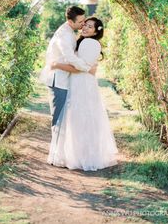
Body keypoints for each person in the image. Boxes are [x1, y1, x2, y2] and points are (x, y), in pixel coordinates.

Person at [47, 17, 119, 171]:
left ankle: (82, 156)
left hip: (82, 83)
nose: (85, 28)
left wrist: (57, 65)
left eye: (90, 26)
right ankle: (77, 154)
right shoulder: (84, 41)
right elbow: (83, 65)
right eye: (85, 25)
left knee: (80, 117)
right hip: (80, 82)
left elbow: (80, 67)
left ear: (96, 30)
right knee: (78, 117)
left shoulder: (90, 43)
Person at [39, 6, 95, 128]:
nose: (83, 24)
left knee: (63, 118)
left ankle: (60, 144)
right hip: (58, 80)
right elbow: (70, 58)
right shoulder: (64, 35)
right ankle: (55, 146)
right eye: (80, 22)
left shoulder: (69, 31)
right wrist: (87, 68)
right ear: (70, 21)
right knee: (58, 118)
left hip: (64, 77)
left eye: (84, 20)